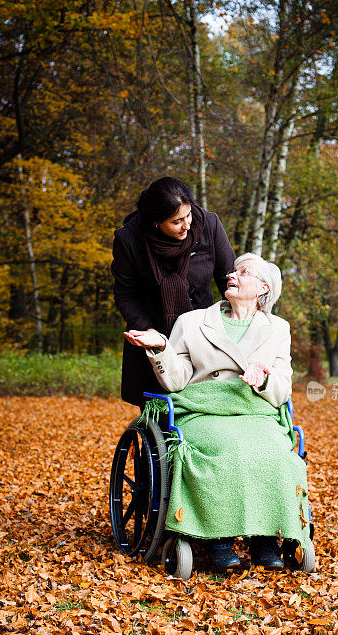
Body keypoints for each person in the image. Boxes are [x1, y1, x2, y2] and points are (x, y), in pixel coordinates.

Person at [124, 253, 311, 571]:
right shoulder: (193, 321)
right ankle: (217, 539)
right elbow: (178, 379)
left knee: (278, 455)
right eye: (233, 270)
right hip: (202, 410)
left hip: (254, 411)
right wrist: (161, 347)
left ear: (263, 288)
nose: (232, 275)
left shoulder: (278, 329)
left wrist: (264, 376)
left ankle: (266, 538)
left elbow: (283, 385)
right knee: (225, 450)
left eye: (244, 272)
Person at [112, 177, 236, 407]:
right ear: (156, 222)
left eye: (188, 215)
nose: (187, 225)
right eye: (177, 221)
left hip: (203, 338)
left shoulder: (209, 224)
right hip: (154, 338)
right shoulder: (129, 239)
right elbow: (126, 294)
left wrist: (237, 322)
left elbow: (229, 279)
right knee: (161, 415)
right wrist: (148, 332)